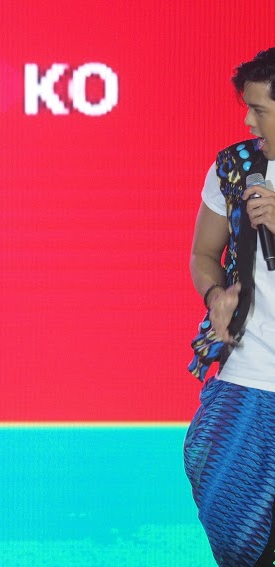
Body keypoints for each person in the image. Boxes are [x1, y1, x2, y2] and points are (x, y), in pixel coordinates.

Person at [184, 47, 275, 566]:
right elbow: (203, 255)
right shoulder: (236, 168)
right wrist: (216, 295)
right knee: (235, 534)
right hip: (247, 381)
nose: (247, 121)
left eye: (258, 109)